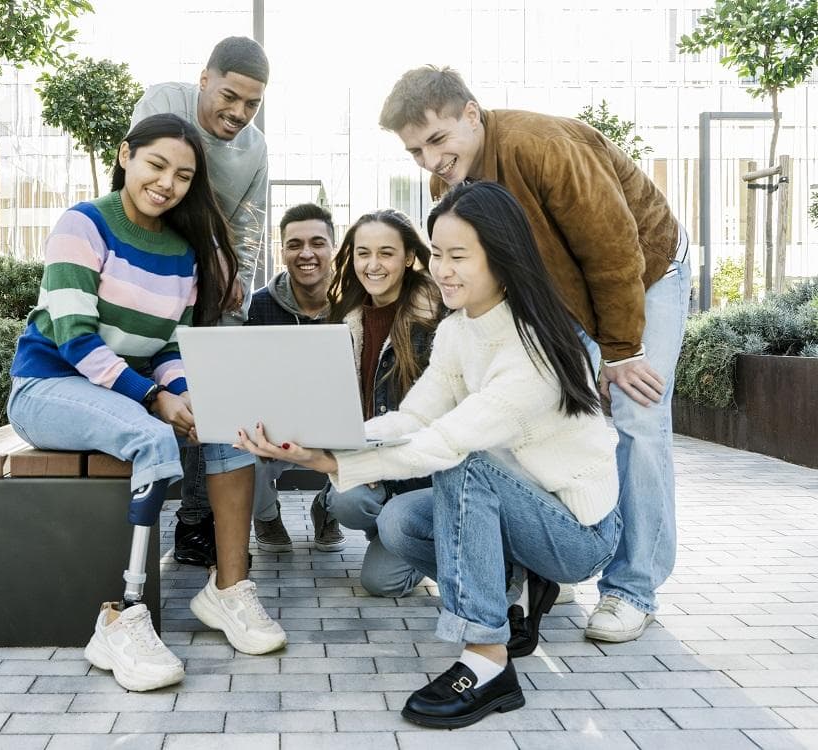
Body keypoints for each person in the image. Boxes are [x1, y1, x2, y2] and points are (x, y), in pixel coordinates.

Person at [237, 181, 621, 729]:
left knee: (464, 464)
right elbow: (413, 418)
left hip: (577, 531)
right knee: (398, 523)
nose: (442, 269)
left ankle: (487, 661)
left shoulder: (531, 345)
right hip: (521, 506)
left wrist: (334, 464)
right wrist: (319, 439)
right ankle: (509, 588)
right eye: (438, 253)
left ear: (504, 258)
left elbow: (444, 442)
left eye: (458, 256)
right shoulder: (459, 330)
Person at [379, 65, 692, 644]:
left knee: (636, 415)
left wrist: (621, 351)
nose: (429, 160)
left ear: (471, 114)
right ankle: (550, 553)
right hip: (562, 296)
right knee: (542, 411)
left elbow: (613, 248)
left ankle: (632, 590)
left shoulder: (541, 146)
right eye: (415, 150)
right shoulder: (450, 187)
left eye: (438, 140)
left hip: (645, 270)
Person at [6, 114, 286, 694]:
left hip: (124, 391)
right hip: (48, 387)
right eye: (156, 165)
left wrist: (185, 396)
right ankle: (121, 615)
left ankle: (228, 590)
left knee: (224, 421)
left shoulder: (182, 251)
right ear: (125, 155)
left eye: (183, 176)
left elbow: (167, 347)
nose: (167, 183)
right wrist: (154, 400)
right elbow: (74, 337)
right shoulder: (82, 225)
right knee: (152, 436)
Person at [130, 36, 270, 568]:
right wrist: (210, 253)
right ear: (204, 78)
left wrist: (234, 292)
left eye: (252, 103)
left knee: (210, 402)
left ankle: (195, 523)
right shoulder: (164, 103)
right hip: (154, 275)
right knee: (155, 391)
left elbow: (249, 230)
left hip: (213, 294)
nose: (237, 112)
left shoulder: (255, 149)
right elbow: (149, 192)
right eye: (229, 95)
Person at [317, 208, 443, 595]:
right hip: (374, 468)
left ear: (408, 258)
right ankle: (392, 528)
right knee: (346, 501)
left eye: (386, 253)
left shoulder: (436, 319)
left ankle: (417, 532)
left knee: (381, 583)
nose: (373, 265)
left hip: (426, 475)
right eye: (362, 253)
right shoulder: (343, 318)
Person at [243, 203, 339, 554]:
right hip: (274, 422)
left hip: (337, 421)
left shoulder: (355, 304)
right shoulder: (255, 308)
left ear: (333, 247)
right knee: (239, 452)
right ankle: (266, 514)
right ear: (281, 251)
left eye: (317, 242)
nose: (306, 253)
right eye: (295, 244)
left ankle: (327, 508)